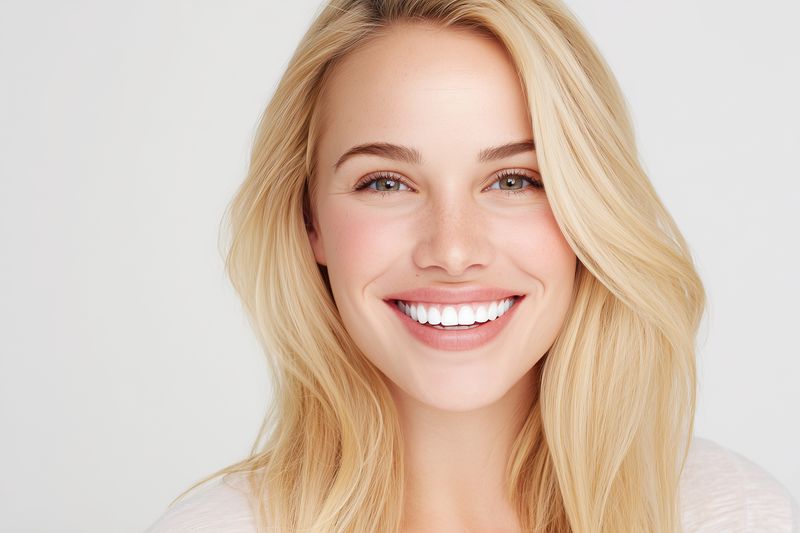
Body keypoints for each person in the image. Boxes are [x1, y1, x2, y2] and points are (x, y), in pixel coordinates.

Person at [145, 0, 799, 531]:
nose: (453, 250)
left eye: (514, 180)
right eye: (386, 183)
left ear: (590, 209)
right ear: (309, 221)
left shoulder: (729, 515)